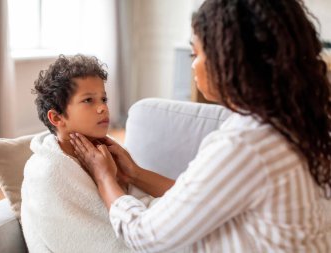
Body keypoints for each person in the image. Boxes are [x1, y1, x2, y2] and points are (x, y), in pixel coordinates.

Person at [70, 0, 331, 252]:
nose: (193, 64)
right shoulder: (295, 125)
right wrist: (135, 173)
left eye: (196, 53)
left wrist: (104, 176)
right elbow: (202, 201)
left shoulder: (245, 144)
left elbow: (144, 236)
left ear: (228, 59)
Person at [20, 54, 131, 253]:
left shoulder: (107, 152)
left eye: (103, 99)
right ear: (56, 117)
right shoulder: (48, 171)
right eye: (88, 100)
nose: (103, 108)